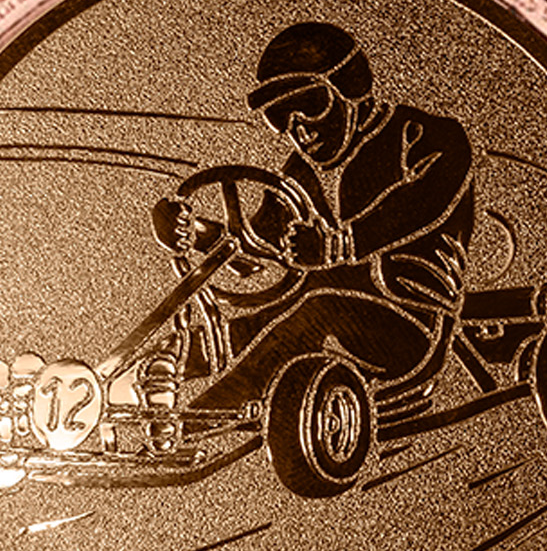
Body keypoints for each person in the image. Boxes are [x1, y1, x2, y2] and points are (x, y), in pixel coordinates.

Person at [151, 22, 475, 411]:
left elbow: (421, 204)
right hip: (309, 310)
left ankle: (194, 423)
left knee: (315, 311)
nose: (298, 129)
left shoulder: (427, 137)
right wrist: (194, 232)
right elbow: (257, 249)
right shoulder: (297, 174)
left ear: (350, 87)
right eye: (279, 117)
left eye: (308, 105)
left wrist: (339, 245)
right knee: (186, 346)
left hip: (410, 323)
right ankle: (116, 405)